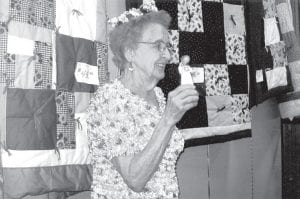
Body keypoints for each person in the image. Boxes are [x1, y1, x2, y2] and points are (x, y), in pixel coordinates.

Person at [86, 2, 199, 199]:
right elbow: (135, 179)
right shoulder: (109, 99)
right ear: (130, 52)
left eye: (168, 47)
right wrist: (168, 119)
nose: (168, 55)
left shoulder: (158, 96)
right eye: (158, 46)